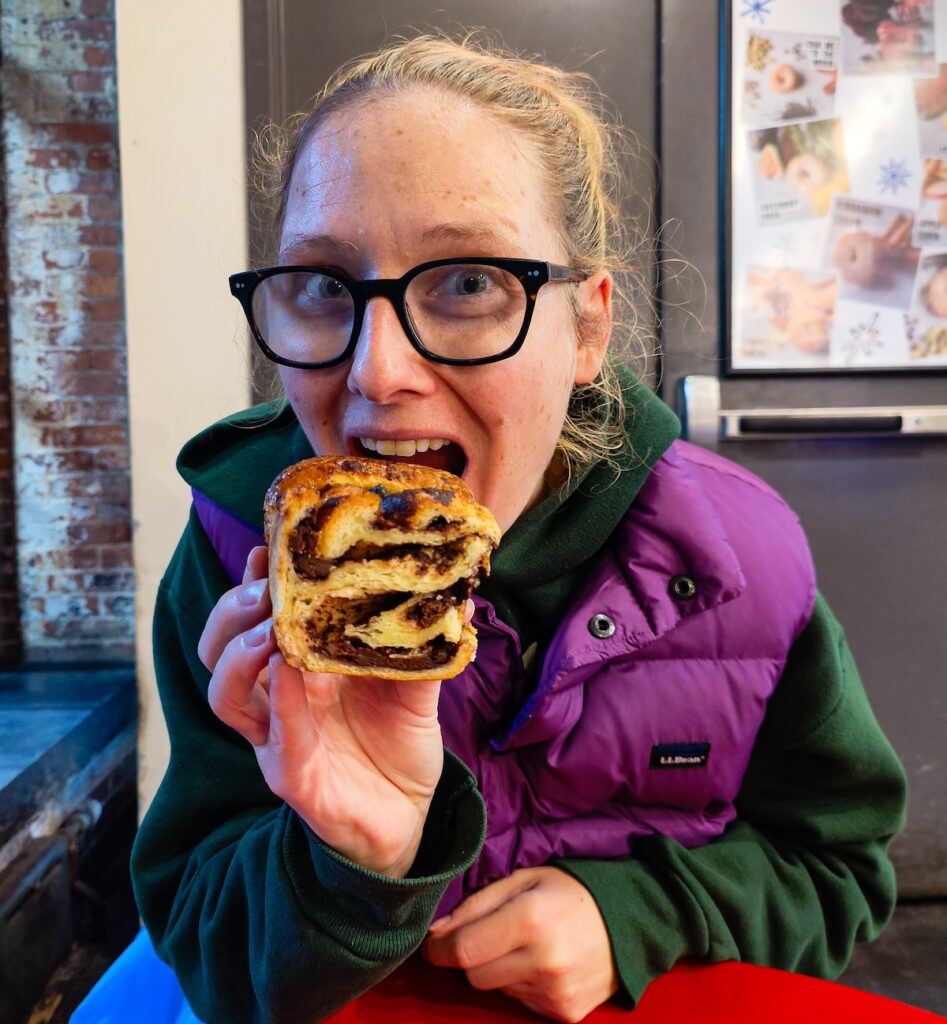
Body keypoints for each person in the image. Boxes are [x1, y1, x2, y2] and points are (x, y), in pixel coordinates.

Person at [129, 33, 906, 1024]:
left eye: (465, 283)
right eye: (326, 285)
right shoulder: (238, 565)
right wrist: (353, 865)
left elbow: (834, 864)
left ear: (586, 329)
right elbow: (202, 938)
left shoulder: (735, 561)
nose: (375, 373)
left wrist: (635, 913)